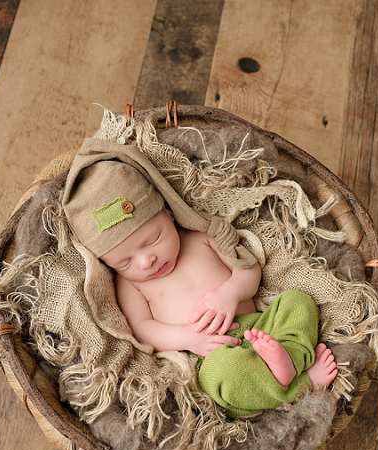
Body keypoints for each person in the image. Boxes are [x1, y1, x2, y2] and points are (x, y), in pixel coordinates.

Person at [63, 138, 337, 418]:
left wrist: (231, 292)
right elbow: (142, 328)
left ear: (168, 213)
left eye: (152, 240)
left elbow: (248, 269)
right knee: (219, 378)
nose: (146, 261)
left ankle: (289, 357)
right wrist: (187, 338)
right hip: (211, 354)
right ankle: (299, 384)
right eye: (125, 261)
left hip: (259, 327)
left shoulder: (201, 236)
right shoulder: (129, 283)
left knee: (297, 302)